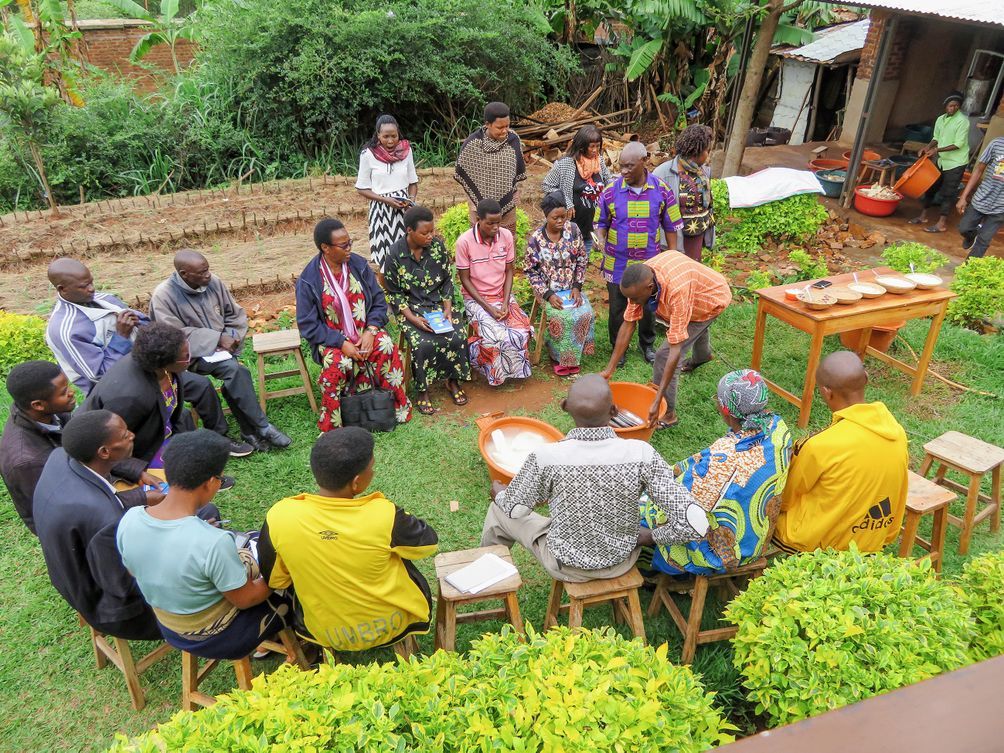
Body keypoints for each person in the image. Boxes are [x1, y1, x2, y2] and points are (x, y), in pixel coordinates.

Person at [480, 375, 708, 582]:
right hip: (621, 561)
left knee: (499, 511)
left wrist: (501, 495)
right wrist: (650, 537)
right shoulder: (641, 454)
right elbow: (695, 523)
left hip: (565, 566)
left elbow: (516, 510)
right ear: (614, 411)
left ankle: (489, 578)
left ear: (565, 407)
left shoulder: (546, 457)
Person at [34, 411, 218, 639]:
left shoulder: (61, 456)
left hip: (77, 574)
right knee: (207, 546)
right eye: (124, 435)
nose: (132, 435)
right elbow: (124, 586)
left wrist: (138, 492)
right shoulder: (104, 520)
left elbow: (103, 494)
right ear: (103, 451)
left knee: (202, 512)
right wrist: (184, 547)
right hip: (118, 611)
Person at [258, 427, 438, 652]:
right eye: (371, 468)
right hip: (391, 625)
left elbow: (277, 581)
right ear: (356, 483)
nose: (373, 471)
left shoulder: (280, 516)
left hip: (323, 630)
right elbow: (428, 543)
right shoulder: (383, 515)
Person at [117, 430, 290, 659]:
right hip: (217, 637)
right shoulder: (212, 543)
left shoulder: (130, 518)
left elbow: (135, 570)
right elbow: (246, 599)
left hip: (170, 627)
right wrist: (278, 574)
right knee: (288, 581)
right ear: (210, 483)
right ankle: (270, 642)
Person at [639, 370, 792, 576]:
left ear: (726, 410)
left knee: (642, 510)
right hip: (753, 541)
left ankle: (656, 570)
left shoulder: (721, 459)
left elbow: (684, 510)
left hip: (719, 554)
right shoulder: (778, 429)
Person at [149, 250, 291, 452]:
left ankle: (251, 431)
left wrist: (231, 336)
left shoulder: (213, 282)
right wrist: (215, 338)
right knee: (234, 371)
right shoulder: (163, 295)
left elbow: (234, 313)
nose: (208, 275)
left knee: (236, 372)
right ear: (184, 274)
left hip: (221, 351)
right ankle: (260, 427)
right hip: (187, 357)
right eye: (202, 272)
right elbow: (173, 336)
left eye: (208, 269)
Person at [773, 351, 908, 554]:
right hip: (872, 540)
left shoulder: (819, 446)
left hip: (820, 544)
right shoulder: (897, 433)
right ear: (866, 379)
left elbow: (785, 498)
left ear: (827, 392)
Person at [0, 361, 154, 534]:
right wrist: (138, 497)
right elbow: (67, 507)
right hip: (79, 529)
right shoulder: (26, 461)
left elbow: (87, 447)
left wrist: (136, 471)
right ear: (38, 404)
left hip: (96, 488)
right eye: (64, 392)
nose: (72, 392)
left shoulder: (52, 412)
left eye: (68, 386)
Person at [296, 218, 412, 432]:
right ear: (325, 248)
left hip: (365, 332)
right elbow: (308, 325)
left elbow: (378, 301)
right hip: (332, 340)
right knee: (336, 364)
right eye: (344, 245)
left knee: (385, 345)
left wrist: (371, 330)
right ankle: (334, 424)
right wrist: (341, 343)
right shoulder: (309, 279)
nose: (350, 248)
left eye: (350, 242)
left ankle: (395, 407)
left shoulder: (358, 265)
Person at [81, 322, 250, 468]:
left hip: (161, 430)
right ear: (165, 362)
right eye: (186, 357)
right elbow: (113, 446)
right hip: (137, 449)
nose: (190, 359)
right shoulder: (130, 398)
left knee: (185, 422)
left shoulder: (162, 368)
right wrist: (137, 472)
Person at [601, 252, 732, 429]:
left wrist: (657, 398)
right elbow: (629, 323)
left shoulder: (677, 291)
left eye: (634, 299)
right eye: (629, 298)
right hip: (693, 294)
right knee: (692, 328)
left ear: (649, 287)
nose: (631, 302)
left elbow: (674, 350)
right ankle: (703, 356)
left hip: (710, 298)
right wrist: (609, 370)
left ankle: (668, 413)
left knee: (664, 355)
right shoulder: (640, 280)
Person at [595, 141, 683, 365]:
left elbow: (671, 226)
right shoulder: (609, 192)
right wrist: (601, 239)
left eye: (629, 166)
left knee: (649, 307)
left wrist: (671, 258)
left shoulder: (661, 190)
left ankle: (648, 345)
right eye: (621, 166)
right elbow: (601, 223)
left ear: (644, 162)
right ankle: (619, 349)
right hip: (617, 262)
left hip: (649, 263)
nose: (624, 171)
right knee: (617, 308)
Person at [383, 205, 471, 414]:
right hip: (410, 309)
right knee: (421, 343)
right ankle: (422, 390)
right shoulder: (395, 254)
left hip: (437, 306)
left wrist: (448, 309)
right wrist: (413, 319)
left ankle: (452, 381)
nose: (430, 236)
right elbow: (393, 293)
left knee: (457, 335)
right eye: (425, 233)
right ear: (409, 231)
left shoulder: (438, 248)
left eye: (432, 231)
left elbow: (447, 281)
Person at [456, 199, 532, 386]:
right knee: (493, 337)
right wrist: (488, 307)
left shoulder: (506, 236)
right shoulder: (464, 242)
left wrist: (506, 303)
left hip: (502, 296)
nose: (496, 227)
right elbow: (465, 280)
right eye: (490, 223)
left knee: (522, 330)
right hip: (476, 299)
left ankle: (513, 370)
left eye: (498, 222)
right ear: (478, 220)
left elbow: (509, 271)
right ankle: (475, 353)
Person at [44, 257, 147, 395]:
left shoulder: (106, 299)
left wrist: (140, 322)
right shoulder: (66, 330)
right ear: (63, 289)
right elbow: (100, 376)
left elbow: (149, 326)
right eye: (83, 286)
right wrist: (121, 337)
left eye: (91, 282)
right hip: (119, 393)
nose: (92, 289)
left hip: (146, 371)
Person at [523, 191, 595, 376]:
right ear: (546, 216)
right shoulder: (536, 240)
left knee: (586, 312)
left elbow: (581, 259)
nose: (561, 221)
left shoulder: (574, 230)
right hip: (548, 291)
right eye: (556, 217)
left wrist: (577, 287)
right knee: (562, 317)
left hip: (571, 289)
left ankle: (575, 355)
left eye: (564, 216)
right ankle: (559, 357)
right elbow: (531, 271)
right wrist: (548, 294)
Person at [355, 114, 419, 273]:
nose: (390, 141)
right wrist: (385, 200)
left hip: (403, 210)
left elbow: (413, 182)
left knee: (407, 253)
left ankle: (408, 292)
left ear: (399, 134)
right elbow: (361, 188)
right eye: (385, 136)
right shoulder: (368, 154)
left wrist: (410, 201)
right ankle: (390, 293)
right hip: (381, 211)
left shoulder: (406, 150)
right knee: (385, 258)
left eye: (394, 136)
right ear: (378, 135)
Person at [454, 101, 526, 236]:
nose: (505, 131)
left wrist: (515, 191)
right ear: (487, 124)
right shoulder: (473, 144)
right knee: (479, 244)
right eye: (500, 127)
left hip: (508, 205)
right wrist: (475, 204)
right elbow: (462, 172)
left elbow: (517, 171)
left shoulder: (513, 139)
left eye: (507, 126)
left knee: (507, 241)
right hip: (479, 207)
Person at [540, 124, 612, 252]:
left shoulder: (599, 161)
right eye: (592, 146)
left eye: (598, 146)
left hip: (590, 226)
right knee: (567, 264)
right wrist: (566, 201)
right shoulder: (565, 164)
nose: (595, 150)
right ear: (582, 146)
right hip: (569, 226)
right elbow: (547, 185)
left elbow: (609, 182)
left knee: (583, 265)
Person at [909, 91, 970, 234]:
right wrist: (927, 147)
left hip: (956, 163)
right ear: (945, 106)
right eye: (950, 105)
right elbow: (936, 137)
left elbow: (958, 144)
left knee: (948, 193)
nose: (953, 108)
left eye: (956, 106)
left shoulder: (963, 121)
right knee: (931, 187)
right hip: (942, 161)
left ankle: (941, 224)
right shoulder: (941, 119)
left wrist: (936, 150)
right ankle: (923, 216)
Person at [653, 124, 715, 262]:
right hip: (673, 238)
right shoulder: (663, 173)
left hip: (697, 234)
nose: (708, 155)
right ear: (696, 151)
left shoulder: (703, 171)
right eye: (707, 151)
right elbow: (655, 210)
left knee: (692, 269)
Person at [956, 135, 1004, 259]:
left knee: (984, 240)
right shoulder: (996, 143)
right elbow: (978, 170)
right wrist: (963, 197)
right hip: (981, 199)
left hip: (1001, 207)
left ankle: (968, 269)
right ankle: (972, 234)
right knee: (964, 228)